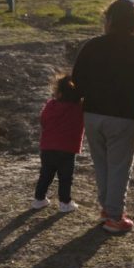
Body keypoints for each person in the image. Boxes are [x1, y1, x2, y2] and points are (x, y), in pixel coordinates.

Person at [72, 0, 134, 234]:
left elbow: (77, 80)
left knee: (101, 164)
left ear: (109, 20)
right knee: (120, 166)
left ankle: (106, 209)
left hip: (92, 115)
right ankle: (114, 216)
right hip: (123, 117)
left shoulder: (92, 45)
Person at [32, 74, 84, 213]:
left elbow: (43, 121)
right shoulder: (79, 107)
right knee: (65, 178)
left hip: (48, 147)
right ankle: (65, 202)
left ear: (59, 93)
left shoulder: (51, 105)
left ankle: (39, 199)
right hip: (68, 149)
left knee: (45, 175)